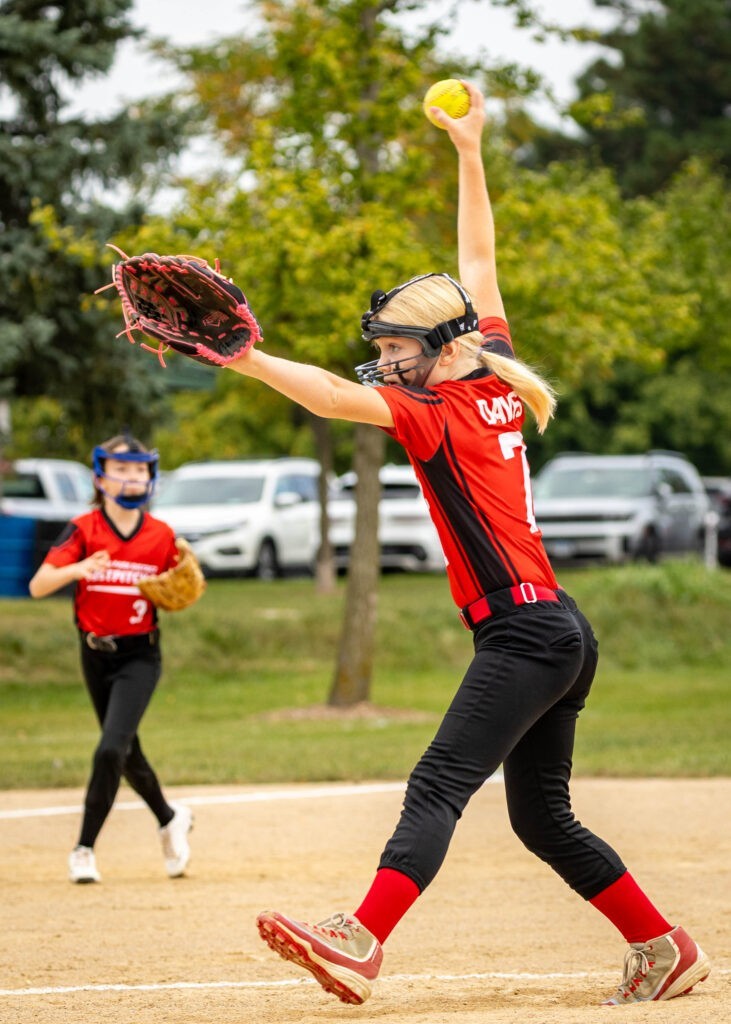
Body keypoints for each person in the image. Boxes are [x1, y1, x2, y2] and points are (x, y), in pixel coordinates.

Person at [28, 434, 193, 884]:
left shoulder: (161, 535)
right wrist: (76, 570)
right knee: (125, 750)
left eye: (140, 469)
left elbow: (182, 585)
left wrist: (182, 584)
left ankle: (83, 849)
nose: (132, 477)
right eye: (122, 468)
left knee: (109, 749)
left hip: (140, 655)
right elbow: (38, 585)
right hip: (94, 653)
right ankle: (168, 817)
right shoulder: (84, 529)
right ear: (101, 477)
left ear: (151, 476)